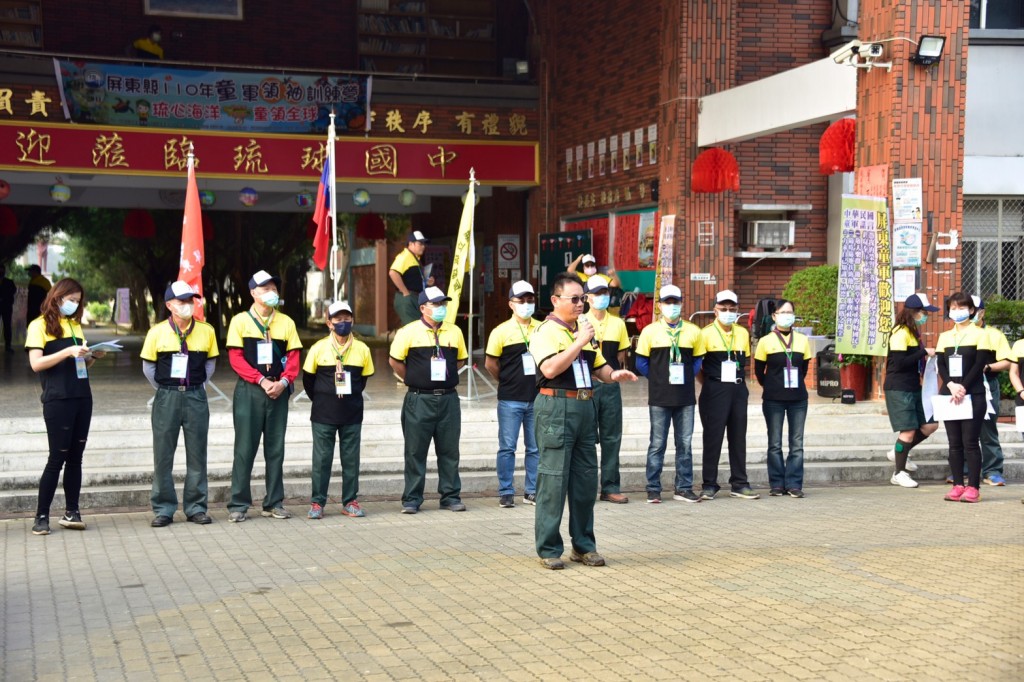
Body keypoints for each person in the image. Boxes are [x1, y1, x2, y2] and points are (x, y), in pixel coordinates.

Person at [528, 273, 637, 570]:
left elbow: (599, 366)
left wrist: (615, 375)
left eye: (582, 298)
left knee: (585, 481)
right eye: (574, 299)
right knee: (553, 480)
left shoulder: (582, 330)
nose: (580, 304)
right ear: (555, 300)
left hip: (584, 406)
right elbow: (549, 368)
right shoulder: (546, 331)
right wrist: (578, 343)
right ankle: (549, 548)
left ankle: (583, 546)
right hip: (556, 407)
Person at [25, 279, 106, 535]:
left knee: (76, 457)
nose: (74, 304)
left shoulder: (74, 325)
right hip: (58, 399)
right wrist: (67, 351)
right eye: (71, 299)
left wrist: (91, 356)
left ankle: (72, 511)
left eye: (78, 300)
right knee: (56, 457)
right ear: (57, 297)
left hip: (82, 396)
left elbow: (79, 365)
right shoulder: (38, 326)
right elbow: (36, 364)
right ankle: (41, 516)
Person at [140, 281, 219, 527]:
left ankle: (196, 507)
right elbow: (148, 368)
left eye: (190, 300)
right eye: (182, 301)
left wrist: (194, 386)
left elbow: (210, 365)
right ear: (169, 305)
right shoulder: (157, 332)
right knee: (163, 455)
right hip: (167, 397)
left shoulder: (206, 331)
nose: (187, 305)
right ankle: (164, 508)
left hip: (196, 396)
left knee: (197, 454)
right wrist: (166, 388)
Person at [225, 270, 303, 522]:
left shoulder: (286, 322)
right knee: (244, 449)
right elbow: (235, 358)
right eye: (265, 288)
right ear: (253, 293)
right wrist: (260, 380)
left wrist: (283, 381)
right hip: (250, 391)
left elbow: (293, 358)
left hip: (278, 392)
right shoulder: (240, 321)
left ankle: (274, 502)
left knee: (275, 449)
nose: (271, 292)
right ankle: (238, 504)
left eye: (274, 288)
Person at [389, 286, 468, 514]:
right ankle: (412, 498)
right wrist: (415, 379)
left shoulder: (454, 332)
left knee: (449, 450)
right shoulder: (408, 332)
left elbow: (460, 361)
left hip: (448, 400)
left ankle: (450, 496)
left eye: (443, 303)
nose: (441, 308)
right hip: (418, 399)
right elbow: (395, 362)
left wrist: (443, 379)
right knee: (415, 451)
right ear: (423, 308)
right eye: (436, 304)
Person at [301, 301, 375, 519]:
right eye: (338, 319)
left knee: (351, 459)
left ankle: (350, 501)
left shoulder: (362, 349)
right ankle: (317, 503)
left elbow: (363, 380)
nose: (343, 323)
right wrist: (324, 398)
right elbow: (308, 381)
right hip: (323, 414)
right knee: (322, 460)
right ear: (329, 323)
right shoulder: (318, 348)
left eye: (347, 318)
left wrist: (347, 399)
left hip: (351, 414)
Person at [634, 284, 704, 503]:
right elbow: (640, 362)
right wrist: (658, 378)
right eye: (667, 302)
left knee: (685, 444)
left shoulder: (693, 331)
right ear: (660, 305)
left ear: (681, 303)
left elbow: (698, 360)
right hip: (659, 397)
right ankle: (653, 488)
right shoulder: (649, 331)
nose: (672, 306)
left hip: (685, 398)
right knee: (657, 444)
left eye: (675, 302)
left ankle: (683, 487)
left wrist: (686, 376)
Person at [484, 280, 541, 508]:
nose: (526, 304)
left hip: (537, 397)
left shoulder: (542, 328)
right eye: (521, 300)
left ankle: (532, 490)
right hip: (510, 399)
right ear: (511, 304)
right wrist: (506, 380)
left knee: (535, 447)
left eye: (530, 300)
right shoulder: (501, 331)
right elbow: (491, 363)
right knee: (507, 447)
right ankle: (506, 491)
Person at [698, 289, 758, 500]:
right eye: (723, 309)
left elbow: (745, 362)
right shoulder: (704, 333)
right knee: (713, 438)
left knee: (738, 437)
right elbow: (698, 367)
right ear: (715, 310)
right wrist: (712, 384)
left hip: (738, 389)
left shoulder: (742, 332)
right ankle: (709, 484)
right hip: (714, 389)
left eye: (732, 309)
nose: (728, 312)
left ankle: (739, 483)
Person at [935, 292, 993, 503]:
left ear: (971, 311)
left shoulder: (981, 334)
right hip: (949, 395)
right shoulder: (945, 336)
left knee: (970, 442)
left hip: (973, 393)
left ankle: (973, 487)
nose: (956, 312)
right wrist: (950, 385)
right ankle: (958, 484)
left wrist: (963, 387)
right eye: (953, 308)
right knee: (954, 443)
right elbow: (940, 364)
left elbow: (979, 364)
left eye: (961, 308)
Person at [754, 299, 813, 498]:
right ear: (774, 316)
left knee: (797, 443)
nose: (787, 315)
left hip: (798, 399)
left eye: (790, 312)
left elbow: (803, 369)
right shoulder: (765, 341)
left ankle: (795, 483)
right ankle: (777, 483)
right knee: (775, 443)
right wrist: (771, 384)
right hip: (773, 399)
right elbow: (759, 371)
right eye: (783, 312)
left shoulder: (802, 340)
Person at [883, 293, 940, 488]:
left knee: (930, 425)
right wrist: (924, 352)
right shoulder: (900, 332)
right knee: (907, 431)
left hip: (914, 386)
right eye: (924, 312)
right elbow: (899, 363)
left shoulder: (912, 331)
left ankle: (899, 452)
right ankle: (899, 473)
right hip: (899, 387)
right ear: (914, 312)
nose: (925, 316)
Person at [583, 274, 631, 503]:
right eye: (598, 293)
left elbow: (620, 355)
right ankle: (586, 486)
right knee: (586, 438)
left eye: (605, 292)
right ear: (587, 298)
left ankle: (611, 486)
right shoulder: (579, 321)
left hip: (610, 386)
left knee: (612, 437)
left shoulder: (618, 323)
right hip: (586, 386)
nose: (603, 297)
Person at [972, 296, 1012, 486]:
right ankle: (963, 470)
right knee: (964, 430)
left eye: (974, 309)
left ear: (982, 312)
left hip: (988, 384)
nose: (970, 312)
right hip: (963, 387)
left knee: (987, 429)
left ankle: (992, 470)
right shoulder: (955, 334)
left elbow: (1006, 361)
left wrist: (987, 367)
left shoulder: (995, 335)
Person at [389, 230, 433, 326]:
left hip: (414, 297)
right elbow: (393, 272)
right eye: (420, 243)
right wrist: (405, 291)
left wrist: (427, 281)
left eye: (424, 244)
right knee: (414, 329)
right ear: (411, 244)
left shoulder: (415, 258)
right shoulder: (404, 256)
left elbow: (413, 278)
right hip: (407, 298)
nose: (423, 246)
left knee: (418, 327)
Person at [0, 263, 14, 352]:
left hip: (6, 307)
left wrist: (4, 298)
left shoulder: (9, 282)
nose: (1, 272)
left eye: (2, 270)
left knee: (7, 326)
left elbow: (13, 291)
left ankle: (8, 345)